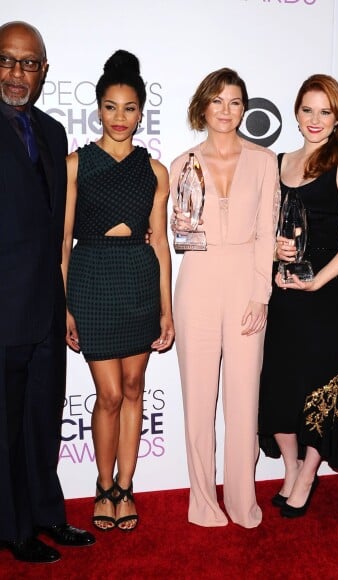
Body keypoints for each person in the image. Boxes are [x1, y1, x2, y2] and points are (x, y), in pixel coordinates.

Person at [62, 50, 174, 532]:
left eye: (129, 108)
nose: (120, 118)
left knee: (133, 388)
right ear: (98, 108)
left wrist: (167, 310)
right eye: (111, 107)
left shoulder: (156, 170)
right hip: (91, 277)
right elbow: (62, 242)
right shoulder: (75, 164)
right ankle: (101, 484)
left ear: (141, 111)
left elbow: (163, 245)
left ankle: (125, 488)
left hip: (138, 278)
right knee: (107, 394)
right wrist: (64, 304)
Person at [0, 21, 95, 563]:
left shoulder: (54, 132)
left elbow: (58, 227)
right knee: (5, 425)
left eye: (28, 63)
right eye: (8, 61)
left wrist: (65, 302)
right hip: (3, 307)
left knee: (41, 417)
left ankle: (45, 514)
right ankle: (13, 529)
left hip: (45, 304)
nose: (17, 73)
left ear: (43, 71)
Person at [172, 68, 279, 529]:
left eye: (235, 102)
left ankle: (241, 499)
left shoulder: (264, 161)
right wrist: (181, 223)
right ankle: (202, 502)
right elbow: (182, 241)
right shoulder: (183, 163)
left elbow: (267, 234)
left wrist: (261, 295)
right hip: (196, 280)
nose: (226, 110)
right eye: (217, 101)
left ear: (244, 108)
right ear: (203, 106)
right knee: (198, 398)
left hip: (245, 282)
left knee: (243, 398)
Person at [259, 74, 338, 518]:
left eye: (326, 111)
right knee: (279, 388)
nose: (316, 120)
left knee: (318, 389)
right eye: (308, 110)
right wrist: (273, 249)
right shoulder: (277, 162)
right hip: (281, 294)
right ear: (296, 113)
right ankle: (289, 468)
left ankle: (308, 474)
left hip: (323, 298)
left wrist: (318, 280)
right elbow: (262, 230)